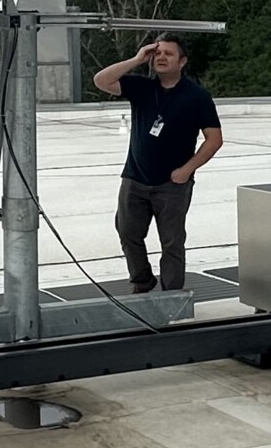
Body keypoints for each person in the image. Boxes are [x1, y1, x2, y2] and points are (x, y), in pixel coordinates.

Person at [92, 34, 222, 292]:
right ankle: (142, 281)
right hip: (135, 178)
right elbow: (101, 80)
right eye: (157, 53)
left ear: (182, 61)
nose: (161, 57)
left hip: (172, 184)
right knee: (128, 233)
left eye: (168, 54)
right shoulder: (141, 87)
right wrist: (138, 58)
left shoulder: (197, 97)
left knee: (172, 242)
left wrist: (187, 170)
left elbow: (214, 139)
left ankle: (172, 294)